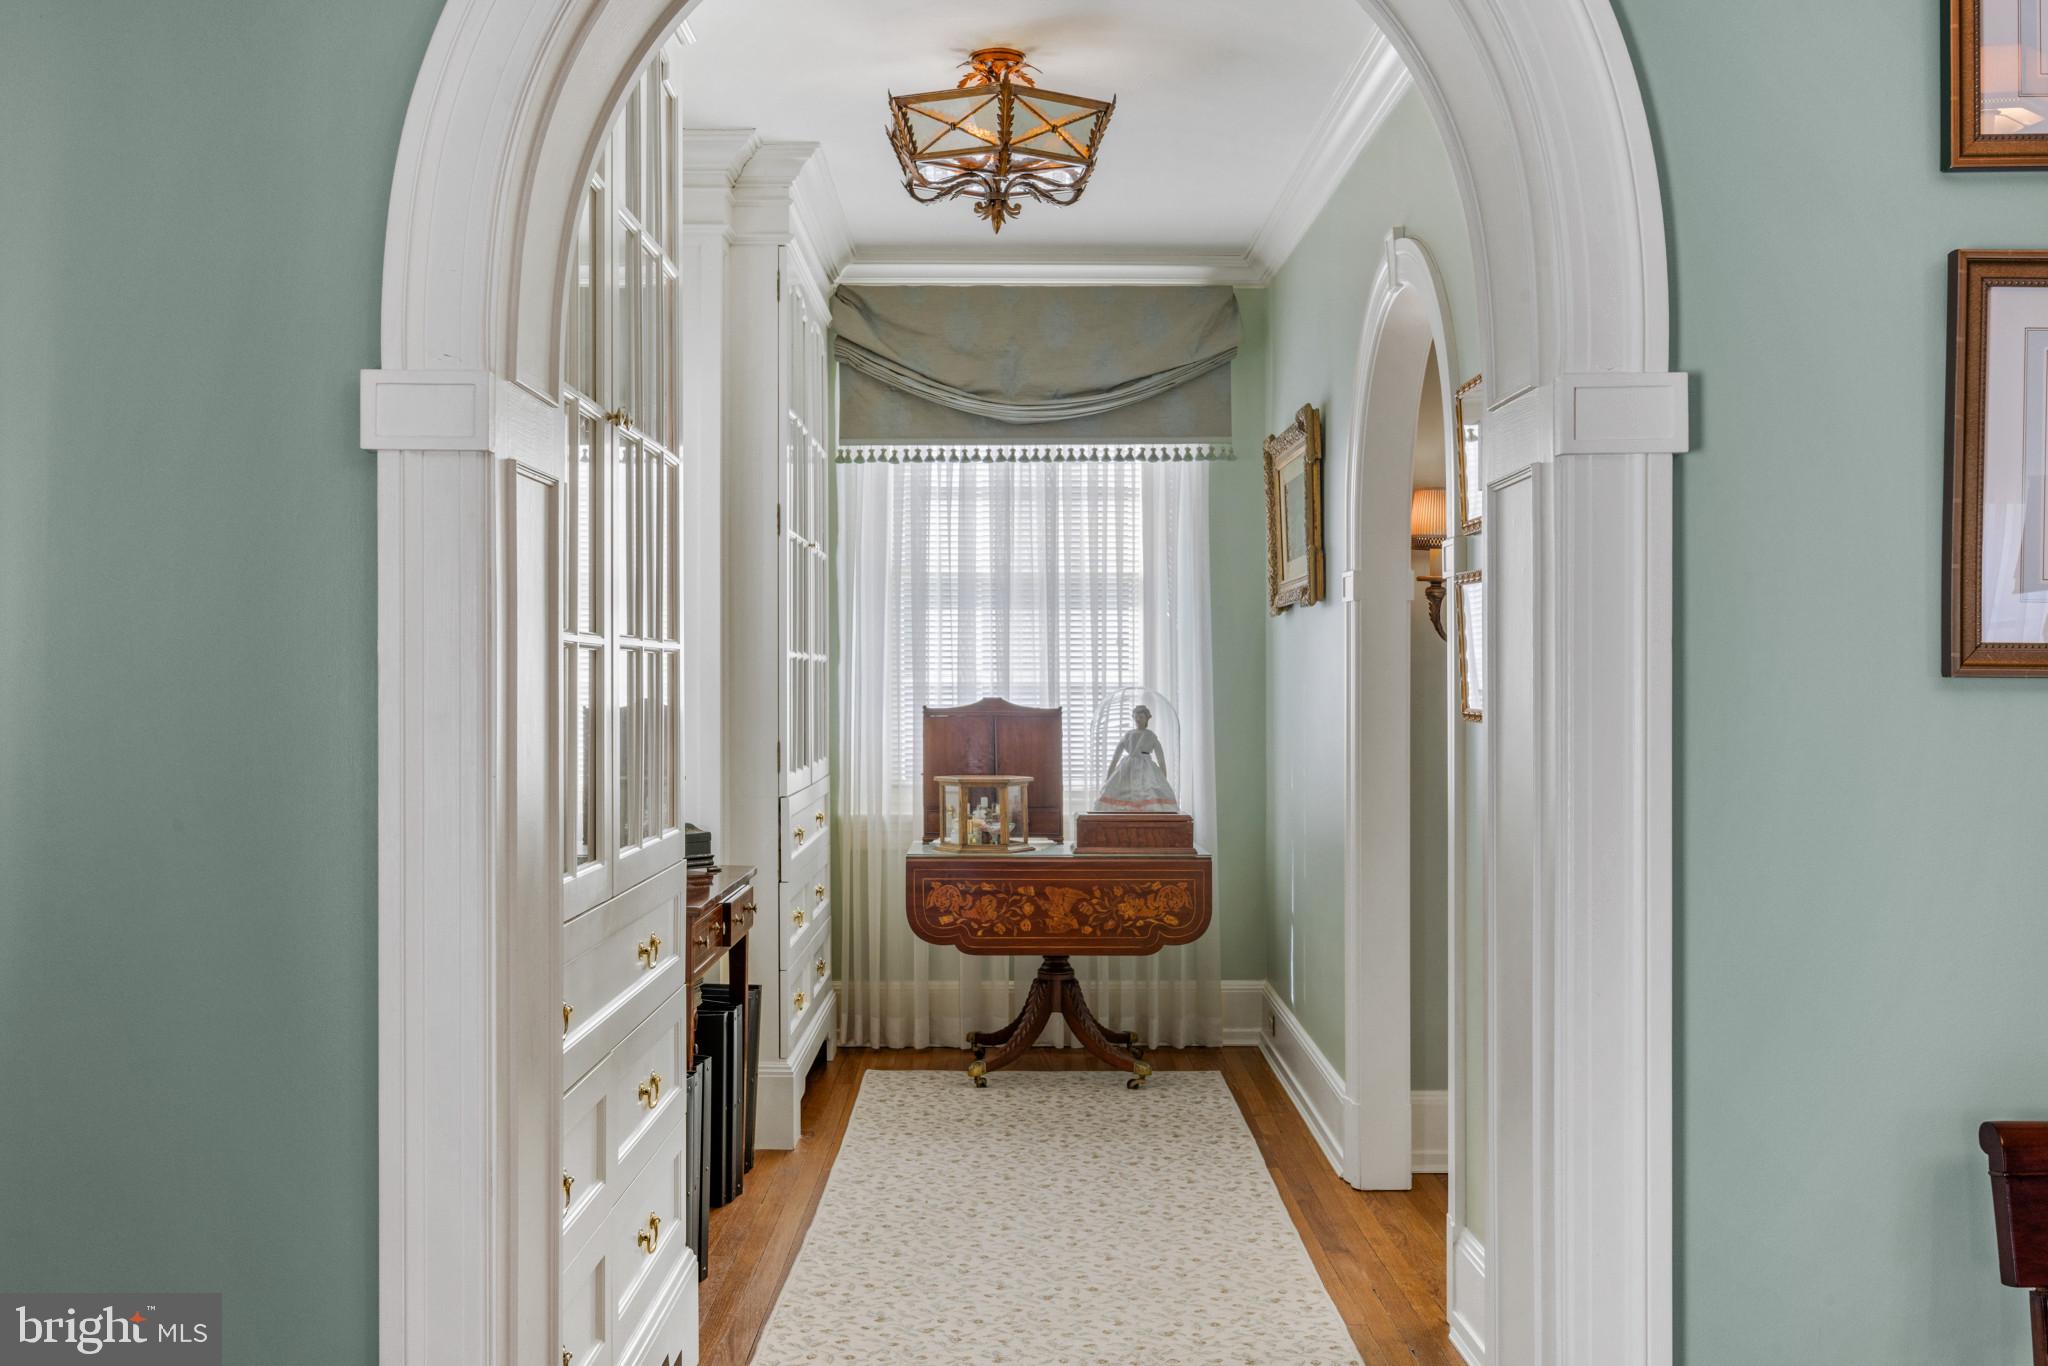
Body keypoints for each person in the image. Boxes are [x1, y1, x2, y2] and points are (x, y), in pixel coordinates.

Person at [1095, 705, 1178, 813]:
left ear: (1147, 718)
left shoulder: (1150, 736)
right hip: (1127, 768)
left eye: (1141, 717)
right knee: (1121, 789)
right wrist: (1108, 778)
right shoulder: (1128, 735)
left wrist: (1163, 780)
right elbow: (1115, 758)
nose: (1138, 719)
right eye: (1136, 717)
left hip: (1146, 768)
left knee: (1150, 789)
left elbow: (1161, 759)